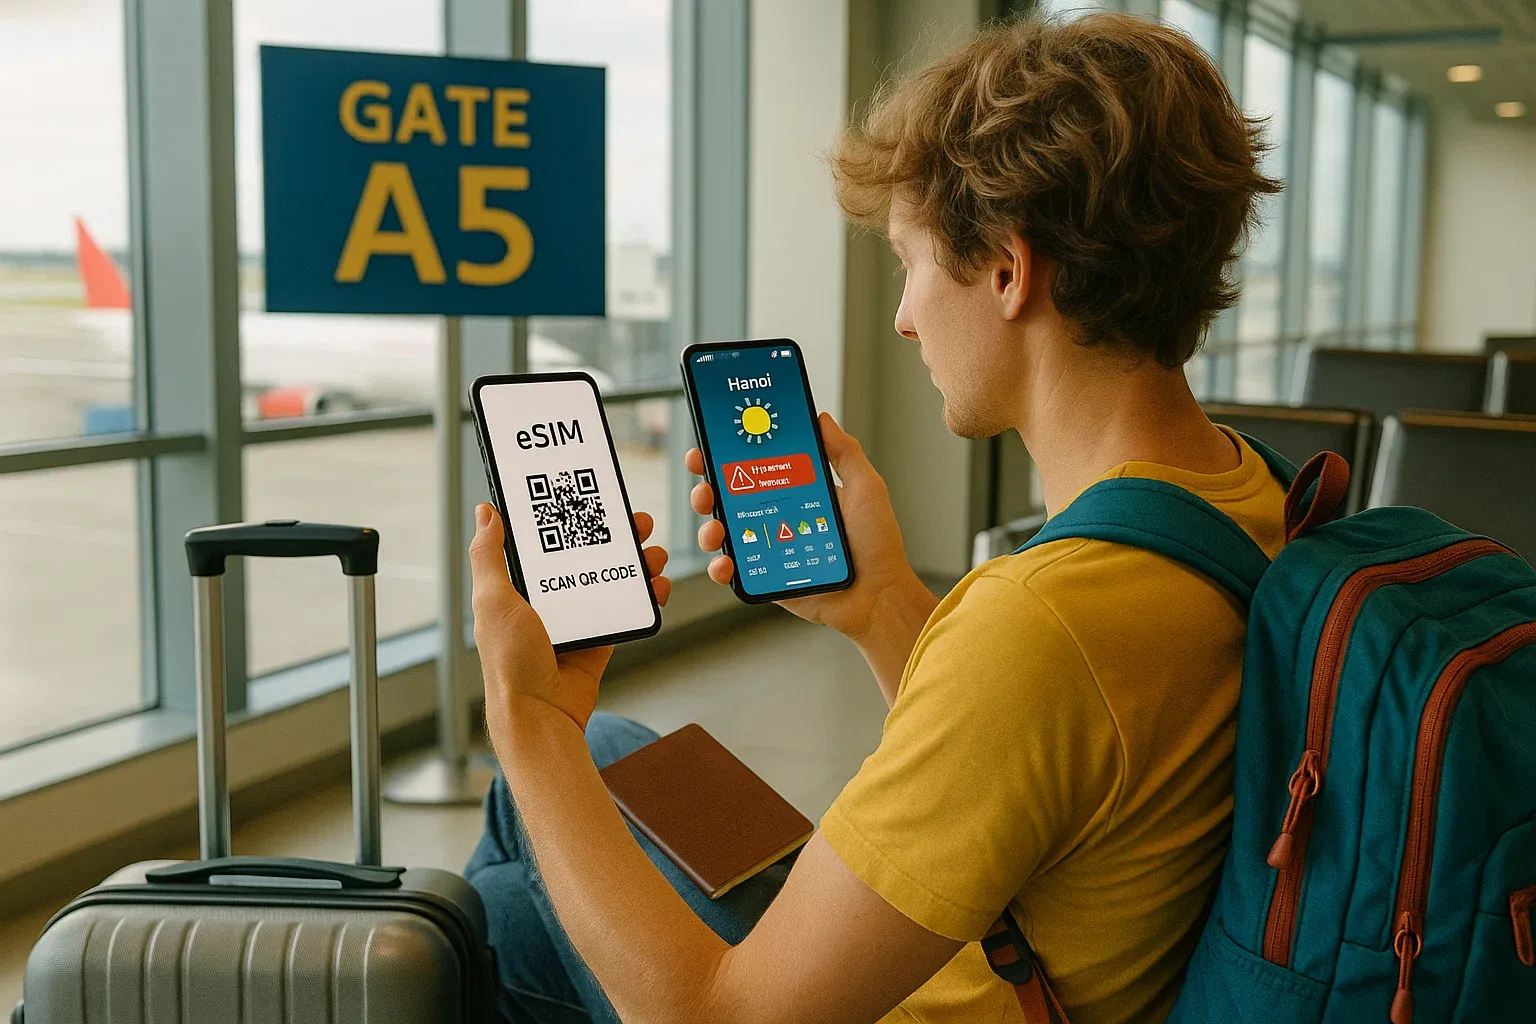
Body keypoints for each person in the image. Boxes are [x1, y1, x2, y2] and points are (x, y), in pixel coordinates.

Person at [464, 12, 1284, 1024]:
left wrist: (527, 718)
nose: (903, 315)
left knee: (528, 830)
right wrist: (884, 600)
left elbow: (717, 1018)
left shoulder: (1043, 625)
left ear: (1007, 270)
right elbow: (1055, 766)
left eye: (909, 260)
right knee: (572, 812)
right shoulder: (1250, 495)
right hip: (1001, 941)